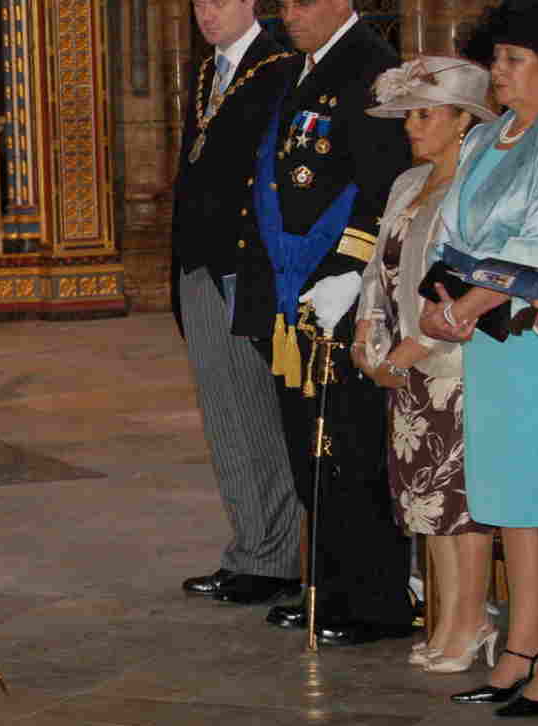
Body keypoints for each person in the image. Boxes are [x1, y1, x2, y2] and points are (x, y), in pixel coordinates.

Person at [229, 0, 415, 645]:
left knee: (349, 449)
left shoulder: (373, 70)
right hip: (289, 290)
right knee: (309, 446)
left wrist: (350, 270)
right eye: (284, 3)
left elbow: (383, 183)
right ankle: (330, 587)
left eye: (303, 2)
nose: (289, 14)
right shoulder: (299, 69)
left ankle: (375, 600)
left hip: (336, 290)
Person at [419, 0, 538, 714]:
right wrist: (433, 302)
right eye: (496, 59)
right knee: (507, 496)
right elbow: (451, 239)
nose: (499, 74)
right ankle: (517, 646)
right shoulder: (484, 142)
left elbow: (537, 245)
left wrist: (465, 306)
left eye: (513, 60)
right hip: (487, 340)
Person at [349, 57, 498, 672]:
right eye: (408, 114)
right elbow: (378, 269)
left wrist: (416, 348)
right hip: (403, 363)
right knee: (423, 504)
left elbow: (462, 286)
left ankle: (472, 620)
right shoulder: (408, 183)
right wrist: (366, 332)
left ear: (464, 121)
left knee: (458, 502)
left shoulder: (476, 188)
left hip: (452, 362)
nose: (412, 125)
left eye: (425, 114)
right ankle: (447, 619)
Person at [171, 0, 303, 602]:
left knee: (256, 415)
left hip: (242, 268)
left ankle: (275, 557)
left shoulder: (277, 67)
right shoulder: (207, 71)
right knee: (225, 417)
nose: (207, 12)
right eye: (199, 2)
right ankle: (251, 547)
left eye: (220, 0)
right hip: (199, 263)